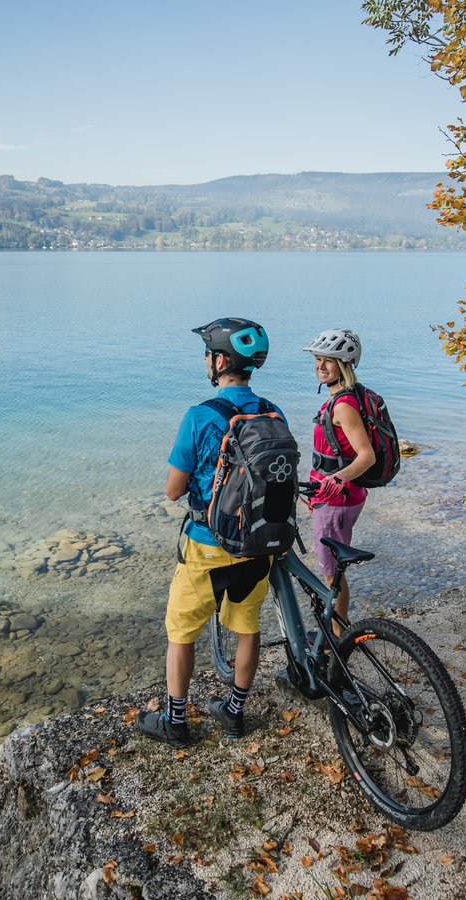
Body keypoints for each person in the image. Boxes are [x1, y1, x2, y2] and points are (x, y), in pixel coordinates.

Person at [136, 317, 286, 747]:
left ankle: (176, 722)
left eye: (207, 353)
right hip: (258, 544)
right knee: (247, 626)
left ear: (220, 361)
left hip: (208, 547)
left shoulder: (200, 416)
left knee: (180, 632)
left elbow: (172, 491)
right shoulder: (272, 411)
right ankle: (235, 712)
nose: (206, 360)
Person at [303, 329, 375, 636]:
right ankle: (338, 632)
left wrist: (334, 479)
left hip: (339, 499)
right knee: (334, 569)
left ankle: (337, 638)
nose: (321, 366)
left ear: (344, 364)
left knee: (331, 574)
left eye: (328, 361)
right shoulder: (345, 397)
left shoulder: (343, 405)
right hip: (338, 497)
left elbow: (366, 456)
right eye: (318, 360)